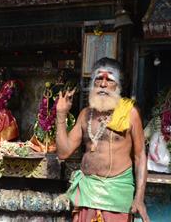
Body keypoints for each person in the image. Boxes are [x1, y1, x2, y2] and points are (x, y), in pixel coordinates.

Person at [56, 57, 150, 222]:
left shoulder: (130, 113)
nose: (103, 84)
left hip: (116, 194)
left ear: (118, 86)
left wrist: (139, 198)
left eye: (109, 80)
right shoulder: (85, 114)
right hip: (87, 194)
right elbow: (63, 153)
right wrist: (61, 114)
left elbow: (140, 156)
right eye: (99, 78)